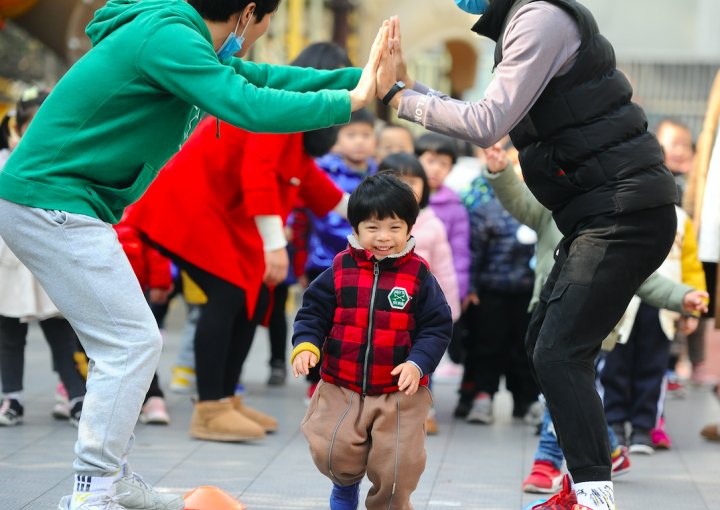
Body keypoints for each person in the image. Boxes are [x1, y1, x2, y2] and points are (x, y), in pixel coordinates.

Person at [0, 0, 389, 508]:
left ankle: (107, 477)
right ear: (249, 13)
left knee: (127, 343)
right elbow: (249, 104)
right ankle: (92, 490)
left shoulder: (181, 40)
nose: (257, 37)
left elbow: (262, 76)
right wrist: (352, 100)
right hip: (52, 201)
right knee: (130, 343)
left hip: (65, 203)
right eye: (265, 25)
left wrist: (366, 78)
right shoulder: (171, 37)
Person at [377, 2, 679, 508]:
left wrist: (398, 96)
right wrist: (410, 91)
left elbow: (487, 121)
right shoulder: (527, 18)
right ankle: (583, 483)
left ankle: (592, 496)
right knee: (545, 341)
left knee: (560, 352)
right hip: (602, 213)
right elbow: (496, 115)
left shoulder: (540, 18)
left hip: (623, 212)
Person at [478, 143, 707, 493]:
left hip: (593, 325)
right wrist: (501, 172)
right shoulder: (552, 209)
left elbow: (644, 279)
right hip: (548, 314)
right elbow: (519, 203)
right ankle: (610, 448)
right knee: (573, 390)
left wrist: (681, 296)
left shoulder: (616, 222)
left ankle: (546, 461)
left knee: (562, 382)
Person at [292, 173, 452, 510]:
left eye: (395, 228)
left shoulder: (419, 275)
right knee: (332, 452)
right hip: (342, 384)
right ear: (356, 228)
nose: (383, 238)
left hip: (397, 392)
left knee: (397, 468)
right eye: (373, 227)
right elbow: (313, 312)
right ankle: (345, 487)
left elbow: (436, 327)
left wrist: (417, 362)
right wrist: (306, 345)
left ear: (410, 228)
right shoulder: (339, 267)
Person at [0, 88, 87, 428]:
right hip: (7, 261)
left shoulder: (64, 162)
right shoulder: (4, 161)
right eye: (30, 123)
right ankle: (12, 398)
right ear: (18, 127)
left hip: (47, 258)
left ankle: (76, 395)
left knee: (60, 330)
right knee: (8, 332)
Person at [377, 152, 462, 434]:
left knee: (422, 358)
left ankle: (424, 410)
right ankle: (383, 407)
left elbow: (444, 270)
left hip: (419, 311)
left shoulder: (432, 223)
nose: (405, 187)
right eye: (396, 180)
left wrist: (449, 308)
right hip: (381, 312)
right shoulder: (372, 226)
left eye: (412, 181)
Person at [299, 107, 379, 399]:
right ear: (337, 139)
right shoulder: (324, 170)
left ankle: (346, 375)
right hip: (325, 260)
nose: (359, 141)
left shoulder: (377, 173)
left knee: (353, 321)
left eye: (366, 135)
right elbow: (323, 218)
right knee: (322, 318)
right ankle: (313, 376)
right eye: (351, 134)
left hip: (367, 263)